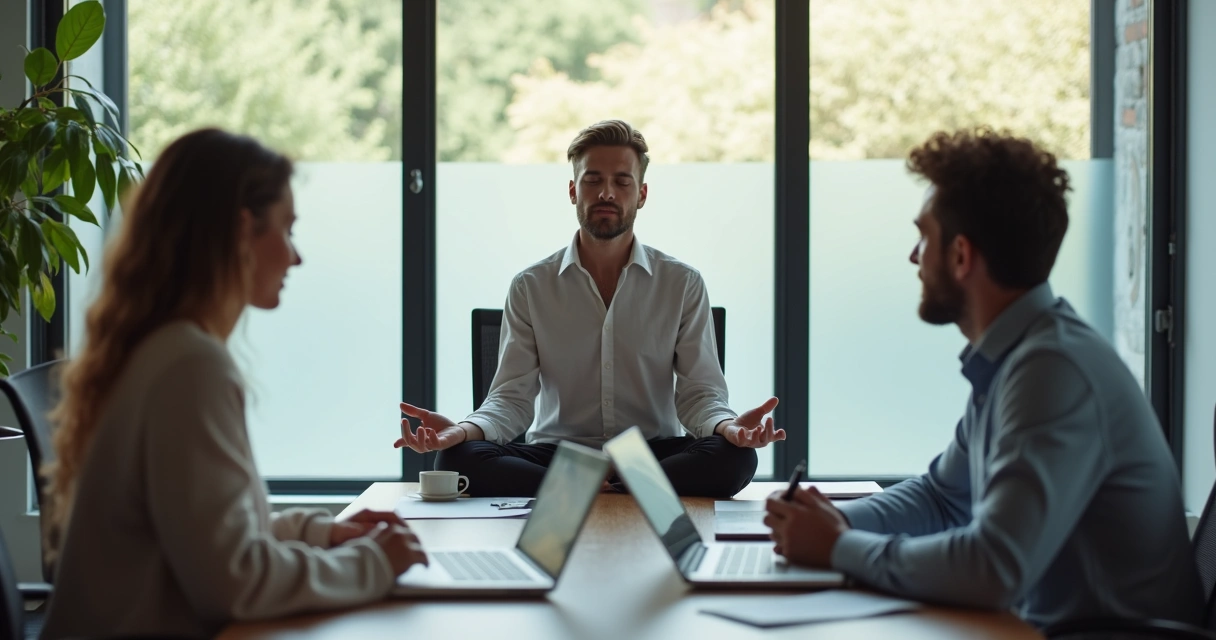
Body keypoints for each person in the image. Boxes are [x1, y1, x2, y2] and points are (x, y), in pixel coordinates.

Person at [763, 127, 1203, 628]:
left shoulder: (1053, 370)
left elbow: (994, 567)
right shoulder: (1017, 356)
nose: (914, 256)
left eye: (923, 236)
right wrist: (830, 521)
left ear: (960, 255)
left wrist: (840, 547)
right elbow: (942, 495)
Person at [40, 129, 428, 639]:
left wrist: (321, 533)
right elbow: (234, 582)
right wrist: (373, 565)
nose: (296, 257)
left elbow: (210, 535)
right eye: (287, 229)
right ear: (242, 230)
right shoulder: (189, 365)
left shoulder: (159, 348)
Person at [394, 119, 783, 498]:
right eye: (592, 180)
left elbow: (700, 395)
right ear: (572, 190)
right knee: (455, 457)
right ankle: (617, 487)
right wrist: (463, 431)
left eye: (621, 181)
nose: (606, 193)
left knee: (735, 457)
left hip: (652, 453)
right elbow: (510, 399)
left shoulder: (681, 283)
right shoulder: (532, 285)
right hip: (558, 456)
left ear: (642, 194)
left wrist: (728, 427)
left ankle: (602, 487)